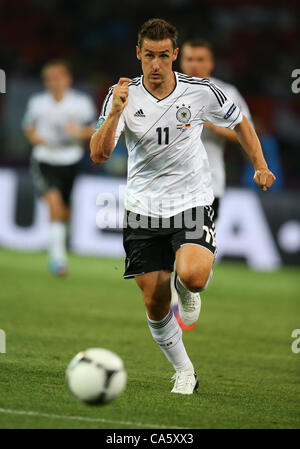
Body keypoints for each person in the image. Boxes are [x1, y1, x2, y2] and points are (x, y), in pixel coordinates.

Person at [90, 18, 275, 395]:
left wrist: (260, 165)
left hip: (190, 199)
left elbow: (242, 123)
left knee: (193, 276)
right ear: (137, 55)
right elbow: (99, 153)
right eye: (148, 56)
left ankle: (186, 284)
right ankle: (184, 370)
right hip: (142, 208)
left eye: (163, 56)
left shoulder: (201, 92)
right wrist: (114, 114)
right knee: (154, 301)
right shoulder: (121, 94)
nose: (155, 65)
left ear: (174, 55)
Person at [23, 60, 96, 275]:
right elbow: (28, 126)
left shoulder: (80, 103)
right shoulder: (38, 102)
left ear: (67, 79)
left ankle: (59, 246)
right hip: (45, 159)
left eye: (57, 78)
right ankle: (58, 259)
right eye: (49, 79)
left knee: (65, 210)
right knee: (54, 204)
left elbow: (96, 127)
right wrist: (35, 138)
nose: (53, 83)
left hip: (71, 159)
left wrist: (79, 133)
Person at [180, 38, 253, 220]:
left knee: (197, 246)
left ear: (211, 63)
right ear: (181, 62)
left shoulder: (227, 93)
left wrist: (213, 125)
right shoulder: (168, 90)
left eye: (200, 59)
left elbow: (249, 133)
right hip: (166, 184)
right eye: (189, 59)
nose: (194, 65)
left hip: (208, 184)